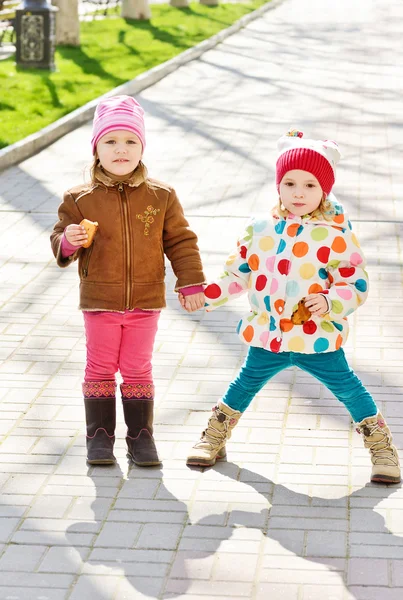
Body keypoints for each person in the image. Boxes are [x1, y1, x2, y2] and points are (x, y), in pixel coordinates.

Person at [182, 129, 401, 485]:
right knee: (244, 384)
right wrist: (208, 295)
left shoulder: (334, 234)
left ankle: (381, 448)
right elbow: (238, 274)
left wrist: (331, 300)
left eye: (310, 185)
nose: (299, 193)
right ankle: (213, 437)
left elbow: (355, 282)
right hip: (269, 334)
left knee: (348, 388)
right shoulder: (259, 229)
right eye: (290, 183)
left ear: (324, 190)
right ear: (278, 185)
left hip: (316, 337)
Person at [50, 95, 205, 467]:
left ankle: (141, 437)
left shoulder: (161, 195)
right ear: (96, 149)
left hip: (146, 300)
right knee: (100, 366)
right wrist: (67, 241)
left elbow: (180, 240)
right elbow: (59, 239)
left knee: (137, 367)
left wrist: (191, 282)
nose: (121, 150)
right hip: (99, 301)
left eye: (130, 141)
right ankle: (99, 438)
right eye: (111, 141)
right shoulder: (79, 198)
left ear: (142, 146)